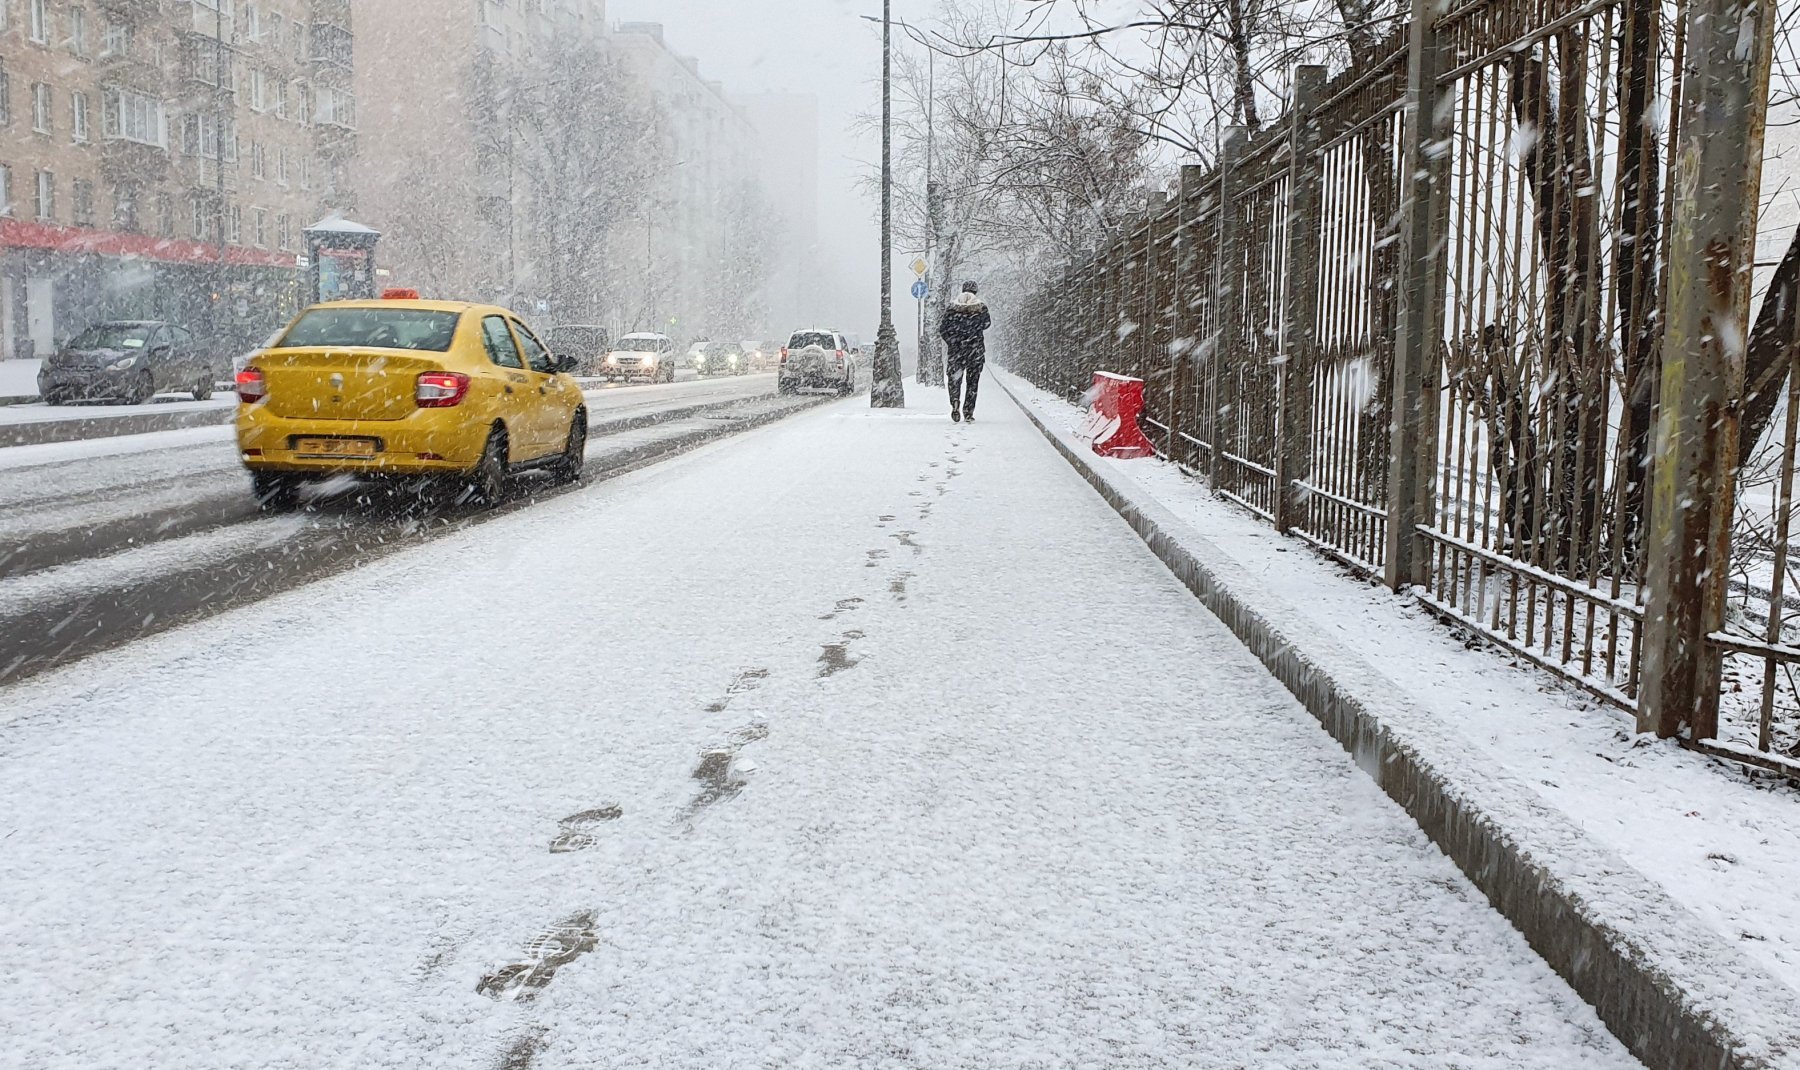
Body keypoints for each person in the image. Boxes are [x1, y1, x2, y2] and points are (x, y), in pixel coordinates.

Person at [938, 281, 992, 423]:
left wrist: (953, 341)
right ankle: (968, 412)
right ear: (975, 291)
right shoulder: (981, 307)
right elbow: (987, 324)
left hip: (956, 351)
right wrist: (974, 331)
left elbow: (942, 329)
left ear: (962, 290)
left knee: (955, 379)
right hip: (975, 351)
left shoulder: (952, 307)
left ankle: (955, 400)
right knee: (972, 382)